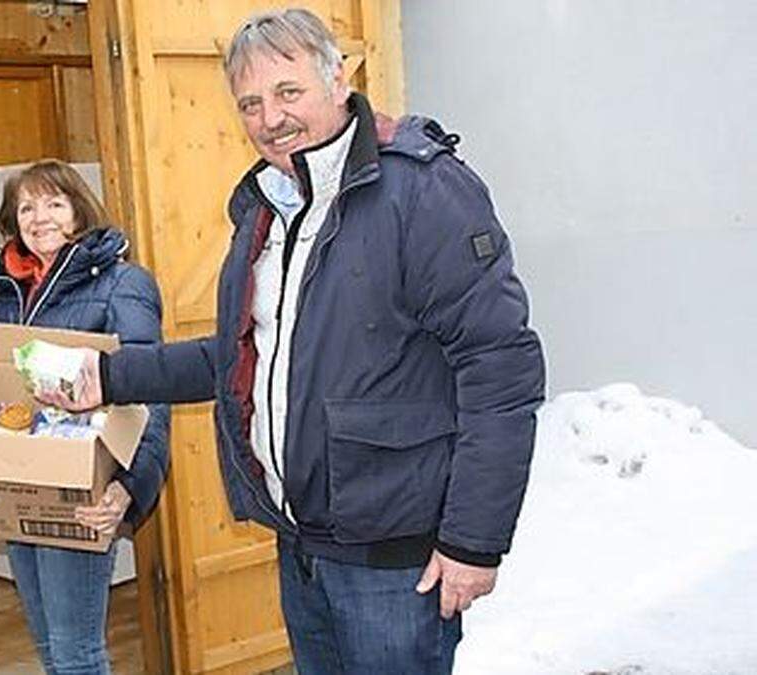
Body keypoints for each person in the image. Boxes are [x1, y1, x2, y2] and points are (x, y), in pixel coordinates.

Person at [40, 8, 545, 674]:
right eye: (250, 103)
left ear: (339, 81)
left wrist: (474, 542)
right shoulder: (265, 208)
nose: (269, 118)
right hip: (302, 547)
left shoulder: (421, 189)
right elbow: (236, 357)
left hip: (394, 562)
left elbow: (500, 368)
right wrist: (107, 377)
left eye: (287, 92)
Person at [0, 159, 170, 675]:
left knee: (76, 654)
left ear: (78, 210)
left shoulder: (123, 283)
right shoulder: (8, 294)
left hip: (81, 494)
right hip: (15, 486)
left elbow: (152, 391)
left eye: (53, 202)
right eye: (26, 206)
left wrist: (129, 490)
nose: (39, 216)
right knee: (50, 647)